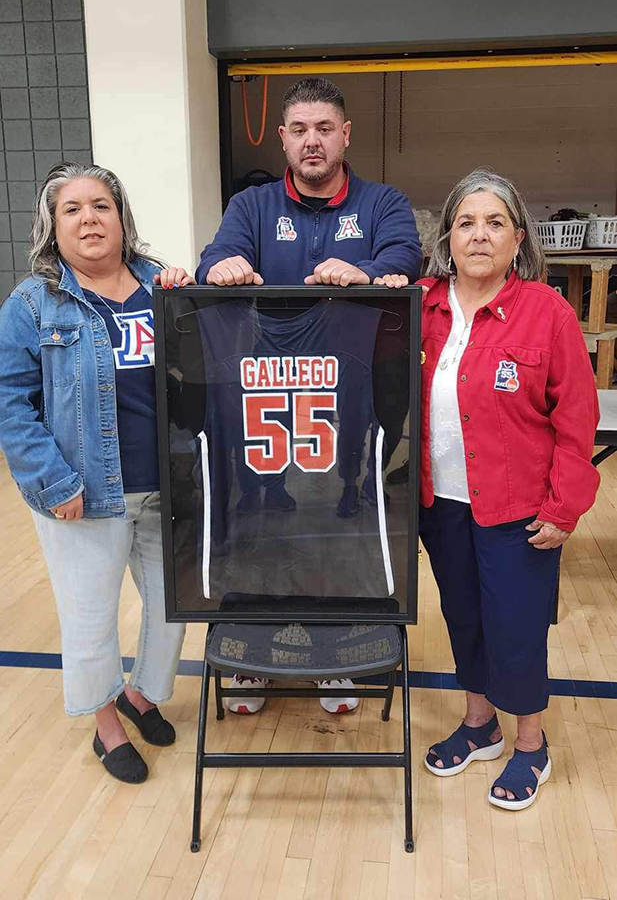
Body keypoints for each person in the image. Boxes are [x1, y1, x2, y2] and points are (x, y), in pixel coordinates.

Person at [196, 77, 421, 715]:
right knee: (259, 519)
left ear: (345, 135)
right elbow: (218, 252)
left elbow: (407, 251)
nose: (312, 141)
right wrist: (222, 267)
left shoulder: (382, 202)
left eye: (325, 128)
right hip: (267, 390)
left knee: (333, 519)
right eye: (299, 130)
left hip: (353, 385)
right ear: (283, 138)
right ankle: (256, 649)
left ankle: (334, 649)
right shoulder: (254, 204)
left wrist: (370, 272)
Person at [0, 162, 196, 785]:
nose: (89, 219)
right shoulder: (33, 304)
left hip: (166, 484)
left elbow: (197, 374)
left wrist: (188, 299)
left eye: (101, 205)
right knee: (90, 618)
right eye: (73, 209)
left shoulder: (159, 286)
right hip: (84, 492)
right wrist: (54, 483)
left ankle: (141, 698)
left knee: (172, 609)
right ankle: (106, 726)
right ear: (51, 227)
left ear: (122, 217)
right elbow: (9, 400)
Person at [414, 169, 599, 809]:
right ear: (447, 237)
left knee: (515, 627)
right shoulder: (424, 304)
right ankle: (479, 724)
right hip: (443, 505)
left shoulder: (545, 312)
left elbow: (578, 417)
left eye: (494, 223)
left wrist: (565, 506)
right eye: (465, 222)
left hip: (518, 508)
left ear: (517, 238)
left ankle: (530, 745)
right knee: (463, 618)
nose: (479, 235)